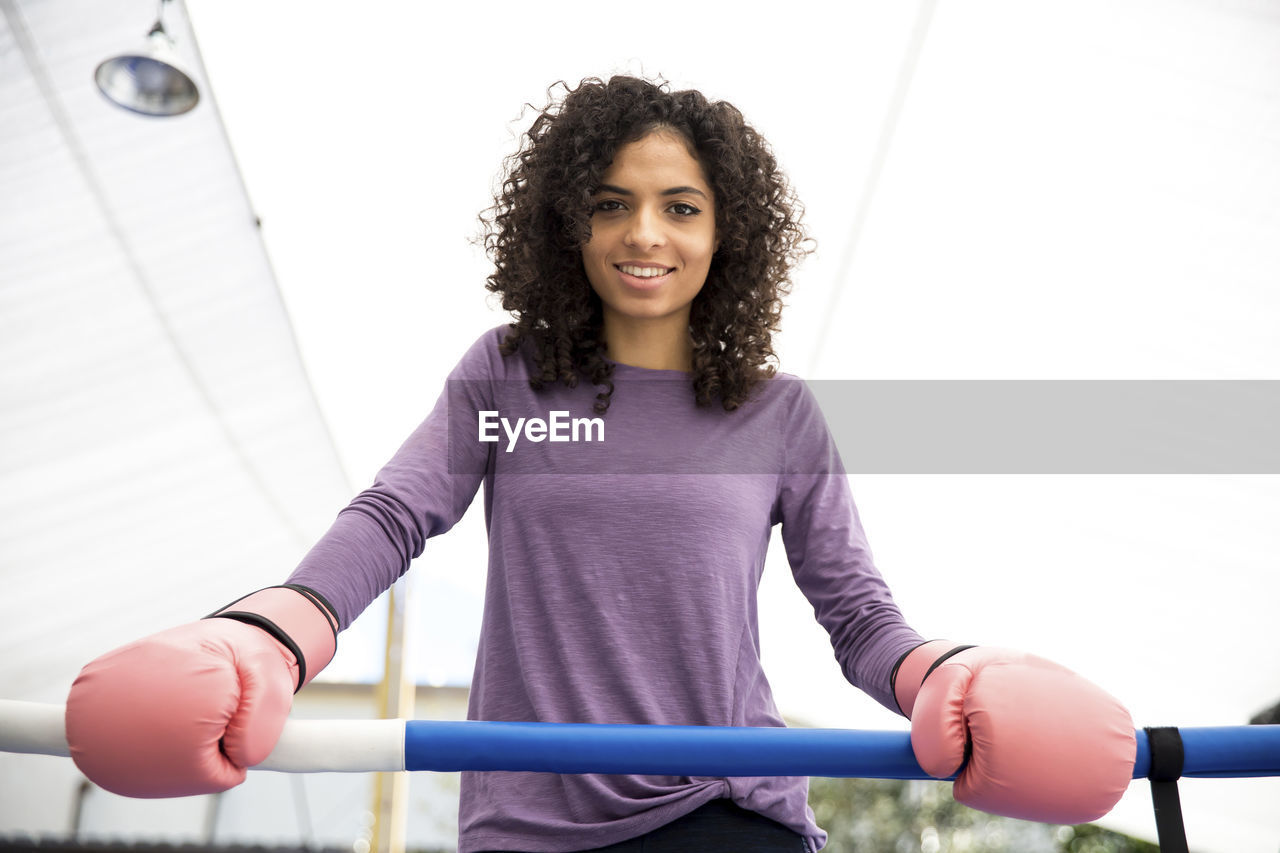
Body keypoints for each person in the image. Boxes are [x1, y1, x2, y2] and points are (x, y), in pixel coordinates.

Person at [64, 76, 1136, 853]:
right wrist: (263, 635)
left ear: (726, 235)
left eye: (680, 207)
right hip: (525, 822)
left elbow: (854, 615)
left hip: (724, 816)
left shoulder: (777, 413)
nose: (644, 233)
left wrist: (953, 670)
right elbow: (396, 515)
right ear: (567, 220)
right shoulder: (508, 374)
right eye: (612, 201)